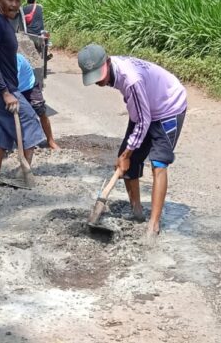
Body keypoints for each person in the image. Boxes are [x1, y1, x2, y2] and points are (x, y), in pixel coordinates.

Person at [77, 44, 187, 241]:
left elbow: (145, 121)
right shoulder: (116, 72)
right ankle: (137, 212)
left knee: (158, 163)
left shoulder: (131, 80)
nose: (98, 82)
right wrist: (127, 155)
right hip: (145, 107)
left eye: (98, 76)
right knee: (127, 161)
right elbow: (141, 116)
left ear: (107, 62)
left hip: (168, 106)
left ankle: (153, 225)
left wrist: (127, 154)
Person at [0, 0, 45, 178]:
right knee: (30, 122)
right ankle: (23, 174)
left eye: (18, 0)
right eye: (10, 0)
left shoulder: (7, 23)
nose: (15, 5)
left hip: (2, 86)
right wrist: (6, 92)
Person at [16, 52, 59, 150]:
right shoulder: (0, 60)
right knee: (10, 116)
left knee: (41, 112)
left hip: (29, 87)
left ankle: (50, 141)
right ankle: (10, 144)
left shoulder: (16, 59)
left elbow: (13, 81)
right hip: (15, 89)